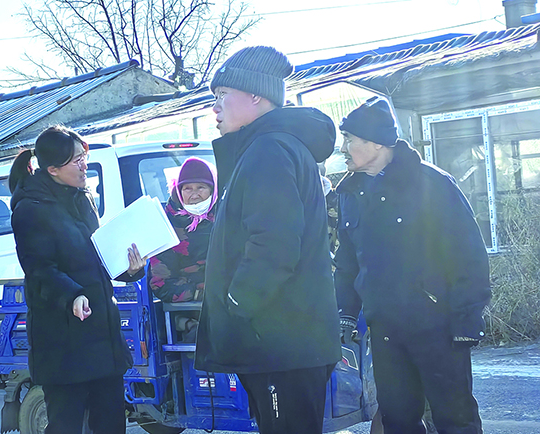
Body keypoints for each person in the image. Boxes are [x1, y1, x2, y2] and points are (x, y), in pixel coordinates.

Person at [195, 46, 341, 434]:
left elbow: (273, 244)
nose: (215, 108)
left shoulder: (269, 150)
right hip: (282, 340)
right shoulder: (268, 148)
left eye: (221, 95)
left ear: (255, 95)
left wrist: (238, 303)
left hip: (280, 342)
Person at [334, 96, 491, 434]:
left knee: (455, 418)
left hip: (439, 327)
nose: (343, 147)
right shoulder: (349, 192)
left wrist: (467, 319)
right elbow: (346, 262)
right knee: (399, 420)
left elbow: (468, 253)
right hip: (385, 332)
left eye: (349, 139)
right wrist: (345, 313)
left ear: (376, 142)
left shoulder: (431, 184)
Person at [8, 125, 145, 434]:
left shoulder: (83, 198)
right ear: (53, 169)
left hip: (102, 331)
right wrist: (72, 295)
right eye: (75, 161)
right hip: (63, 341)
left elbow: (99, 255)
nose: (84, 165)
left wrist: (129, 268)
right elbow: (40, 269)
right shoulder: (30, 209)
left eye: (84, 156)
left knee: (111, 424)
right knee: (66, 425)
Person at [149, 157, 217, 342]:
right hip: (192, 303)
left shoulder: (227, 217)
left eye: (201, 187)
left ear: (213, 189)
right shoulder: (166, 227)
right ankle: (189, 326)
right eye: (188, 188)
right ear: (179, 192)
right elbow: (160, 283)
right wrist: (198, 293)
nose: (194, 194)